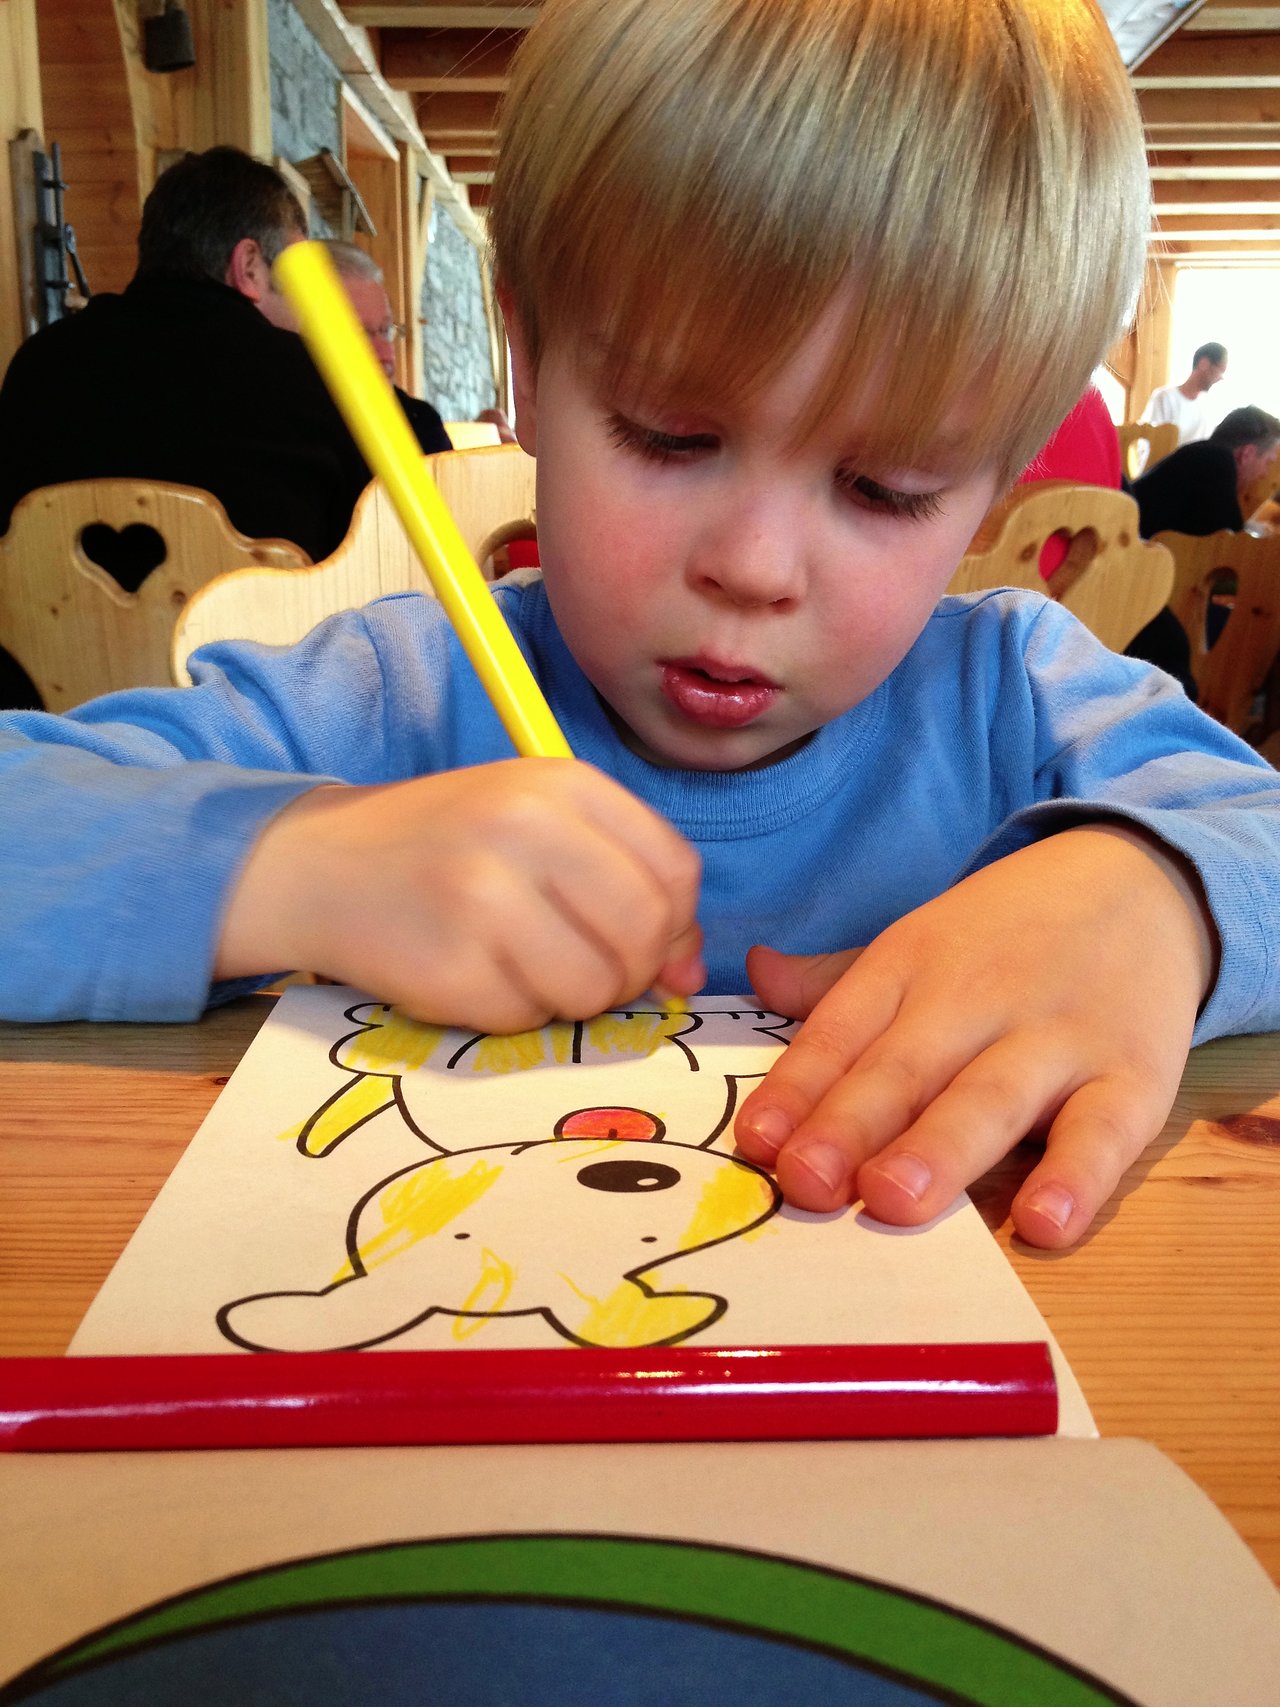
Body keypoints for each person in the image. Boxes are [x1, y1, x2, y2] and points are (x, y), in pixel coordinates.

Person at [4, 0, 1280, 1261]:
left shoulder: (1018, 699)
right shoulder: (388, 700)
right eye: (670, 436)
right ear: (529, 363)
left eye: (884, 487)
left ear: (993, 485)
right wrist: (295, 867)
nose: (752, 568)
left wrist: (1157, 905)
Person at [0, 148, 370, 563]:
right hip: (257, 628)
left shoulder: (38, 363)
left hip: (56, 627)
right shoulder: (312, 379)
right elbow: (366, 557)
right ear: (249, 266)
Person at [1125, 405, 1280, 690]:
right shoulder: (1217, 463)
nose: (1264, 473)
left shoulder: (1201, 455)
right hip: (1130, 584)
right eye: (1268, 462)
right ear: (1246, 454)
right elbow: (1228, 548)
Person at [314, 241, 452, 455]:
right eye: (361, 335)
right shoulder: (293, 429)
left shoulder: (420, 424)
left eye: (386, 330)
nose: (386, 354)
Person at [1140, 342, 1228, 447]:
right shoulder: (1165, 397)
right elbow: (1150, 444)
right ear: (1204, 363)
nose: (1221, 378)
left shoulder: (1209, 409)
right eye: (1220, 370)